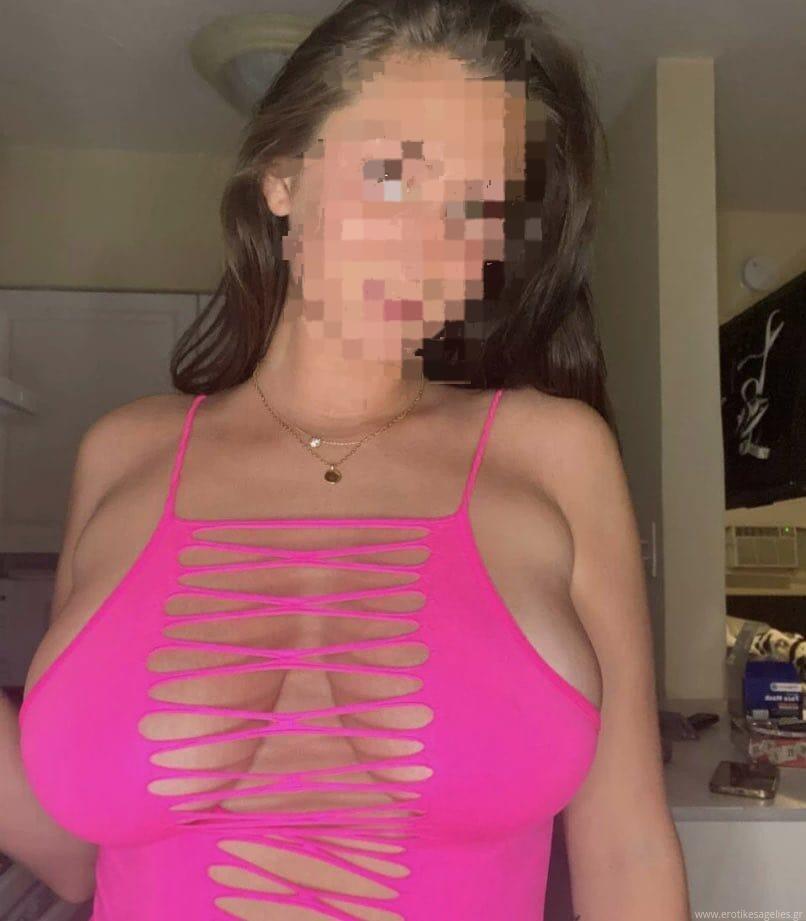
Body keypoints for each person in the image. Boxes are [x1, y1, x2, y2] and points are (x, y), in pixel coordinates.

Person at [3, 0, 690, 917]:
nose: (434, 248)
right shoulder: (122, 455)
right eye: (394, 174)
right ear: (282, 178)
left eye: (476, 206)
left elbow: (628, 853)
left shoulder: (555, 459)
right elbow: (79, 860)